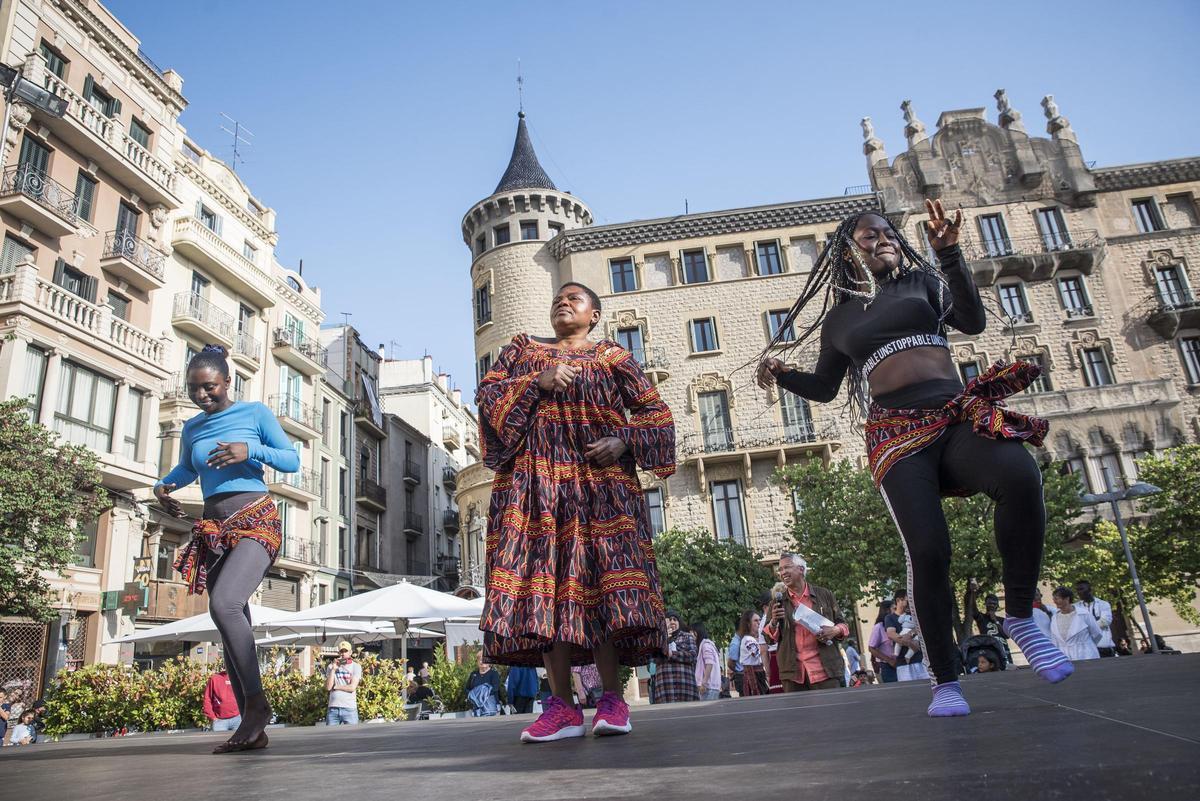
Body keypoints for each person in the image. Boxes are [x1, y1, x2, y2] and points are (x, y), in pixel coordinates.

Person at [757, 202, 1068, 717]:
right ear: (848, 255)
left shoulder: (923, 283)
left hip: (954, 418)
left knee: (1019, 473)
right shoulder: (840, 319)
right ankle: (945, 680)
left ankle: (1018, 617)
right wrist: (782, 373)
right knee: (928, 550)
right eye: (866, 237)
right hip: (897, 436)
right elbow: (825, 388)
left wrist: (948, 253)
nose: (879, 240)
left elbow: (971, 319)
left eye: (885, 233)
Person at [476, 282, 676, 742]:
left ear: (595, 314)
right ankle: (562, 706)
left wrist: (625, 440)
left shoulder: (614, 358)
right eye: (557, 300)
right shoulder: (522, 351)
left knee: (599, 586)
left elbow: (656, 414)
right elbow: (487, 398)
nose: (563, 303)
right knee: (543, 594)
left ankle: (612, 700)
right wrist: (536, 382)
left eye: (575, 299)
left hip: (599, 489)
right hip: (534, 491)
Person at [155, 344, 299, 752]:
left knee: (225, 604)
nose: (203, 395)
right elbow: (188, 467)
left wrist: (249, 450)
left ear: (227, 382)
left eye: (210, 387)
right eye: (195, 389)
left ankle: (256, 707)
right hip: (214, 527)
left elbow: (291, 460)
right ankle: (253, 729)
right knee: (230, 619)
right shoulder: (192, 428)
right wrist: (163, 484)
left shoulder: (254, 414)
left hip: (256, 519)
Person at [763, 553, 850, 693]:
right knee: (798, 715)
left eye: (787, 567)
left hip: (825, 671)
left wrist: (835, 630)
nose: (782, 572)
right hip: (793, 675)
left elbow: (844, 626)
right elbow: (768, 638)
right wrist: (773, 622)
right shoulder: (777, 602)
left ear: (801, 570)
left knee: (830, 713)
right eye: (780, 569)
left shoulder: (825, 595)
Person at [650, 611, 700, 704]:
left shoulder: (687, 637)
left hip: (685, 687)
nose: (672, 622)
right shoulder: (658, 639)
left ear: (679, 623)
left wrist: (672, 654)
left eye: (675, 620)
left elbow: (693, 656)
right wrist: (664, 640)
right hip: (665, 688)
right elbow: (652, 659)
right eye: (669, 620)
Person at [1049, 587, 1102, 661]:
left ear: (1067, 599)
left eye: (1057, 598)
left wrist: (1087, 646)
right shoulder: (1054, 617)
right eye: (1054, 599)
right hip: (1065, 658)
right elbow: (1055, 640)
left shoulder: (1084, 614)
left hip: (1086, 656)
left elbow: (1097, 634)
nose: (1054, 601)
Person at [966, 579, 1012, 663]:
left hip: (1004, 651)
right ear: (985, 604)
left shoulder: (1002, 620)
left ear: (997, 606)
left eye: (994, 604)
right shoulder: (981, 618)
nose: (991, 605)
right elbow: (973, 609)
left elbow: (1007, 636)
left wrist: (995, 620)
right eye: (989, 603)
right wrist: (973, 592)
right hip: (989, 652)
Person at [1074, 581, 1115, 657]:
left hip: (1103, 647)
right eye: (1077, 590)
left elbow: (1105, 622)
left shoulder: (1103, 604)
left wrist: (1083, 625)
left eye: (1081, 589)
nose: (1079, 592)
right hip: (1086, 650)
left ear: (1090, 589)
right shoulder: (1075, 607)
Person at [326, 642, 362, 725]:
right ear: (338, 653)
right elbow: (328, 687)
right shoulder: (331, 667)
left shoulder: (355, 666)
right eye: (341, 651)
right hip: (333, 708)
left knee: (352, 736)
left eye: (345, 651)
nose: (343, 654)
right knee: (330, 736)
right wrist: (333, 670)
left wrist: (336, 687)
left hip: (349, 708)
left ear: (350, 652)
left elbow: (352, 688)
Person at [736, 610, 766, 696]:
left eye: (760, 620)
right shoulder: (748, 640)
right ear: (748, 624)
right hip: (753, 676)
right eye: (756, 620)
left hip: (758, 675)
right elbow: (756, 653)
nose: (759, 623)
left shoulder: (752, 639)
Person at [203, 668, 242, 732]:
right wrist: (213, 717)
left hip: (237, 719)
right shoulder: (214, 679)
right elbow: (207, 699)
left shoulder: (239, 678)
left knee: (238, 742)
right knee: (219, 741)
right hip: (219, 722)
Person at [867, 601, 898, 683]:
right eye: (894, 608)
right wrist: (889, 660)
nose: (897, 611)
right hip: (888, 666)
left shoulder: (897, 623)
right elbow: (871, 648)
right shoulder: (879, 627)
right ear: (887, 610)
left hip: (902, 664)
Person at [692, 623, 722, 701]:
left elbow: (709, 663)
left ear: (695, 633)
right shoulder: (708, 645)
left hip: (708, 688)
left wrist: (704, 683)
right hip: (711, 687)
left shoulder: (705, 646)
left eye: (690, 633)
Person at [467, 652, 502, 717]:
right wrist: (472, 697)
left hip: (491, 708)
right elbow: (468, 688)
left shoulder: (494, 674)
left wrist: (479, 693)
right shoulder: (473, 675)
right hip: (477, 709)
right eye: (480, 659)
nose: (482, 661)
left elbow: (495, 688)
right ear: (477, 662)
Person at [726, 620, 745, 696]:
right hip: (741, 676)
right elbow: (730, 663)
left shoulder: (741, 640)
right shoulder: (736, 643)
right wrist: (738, 671)